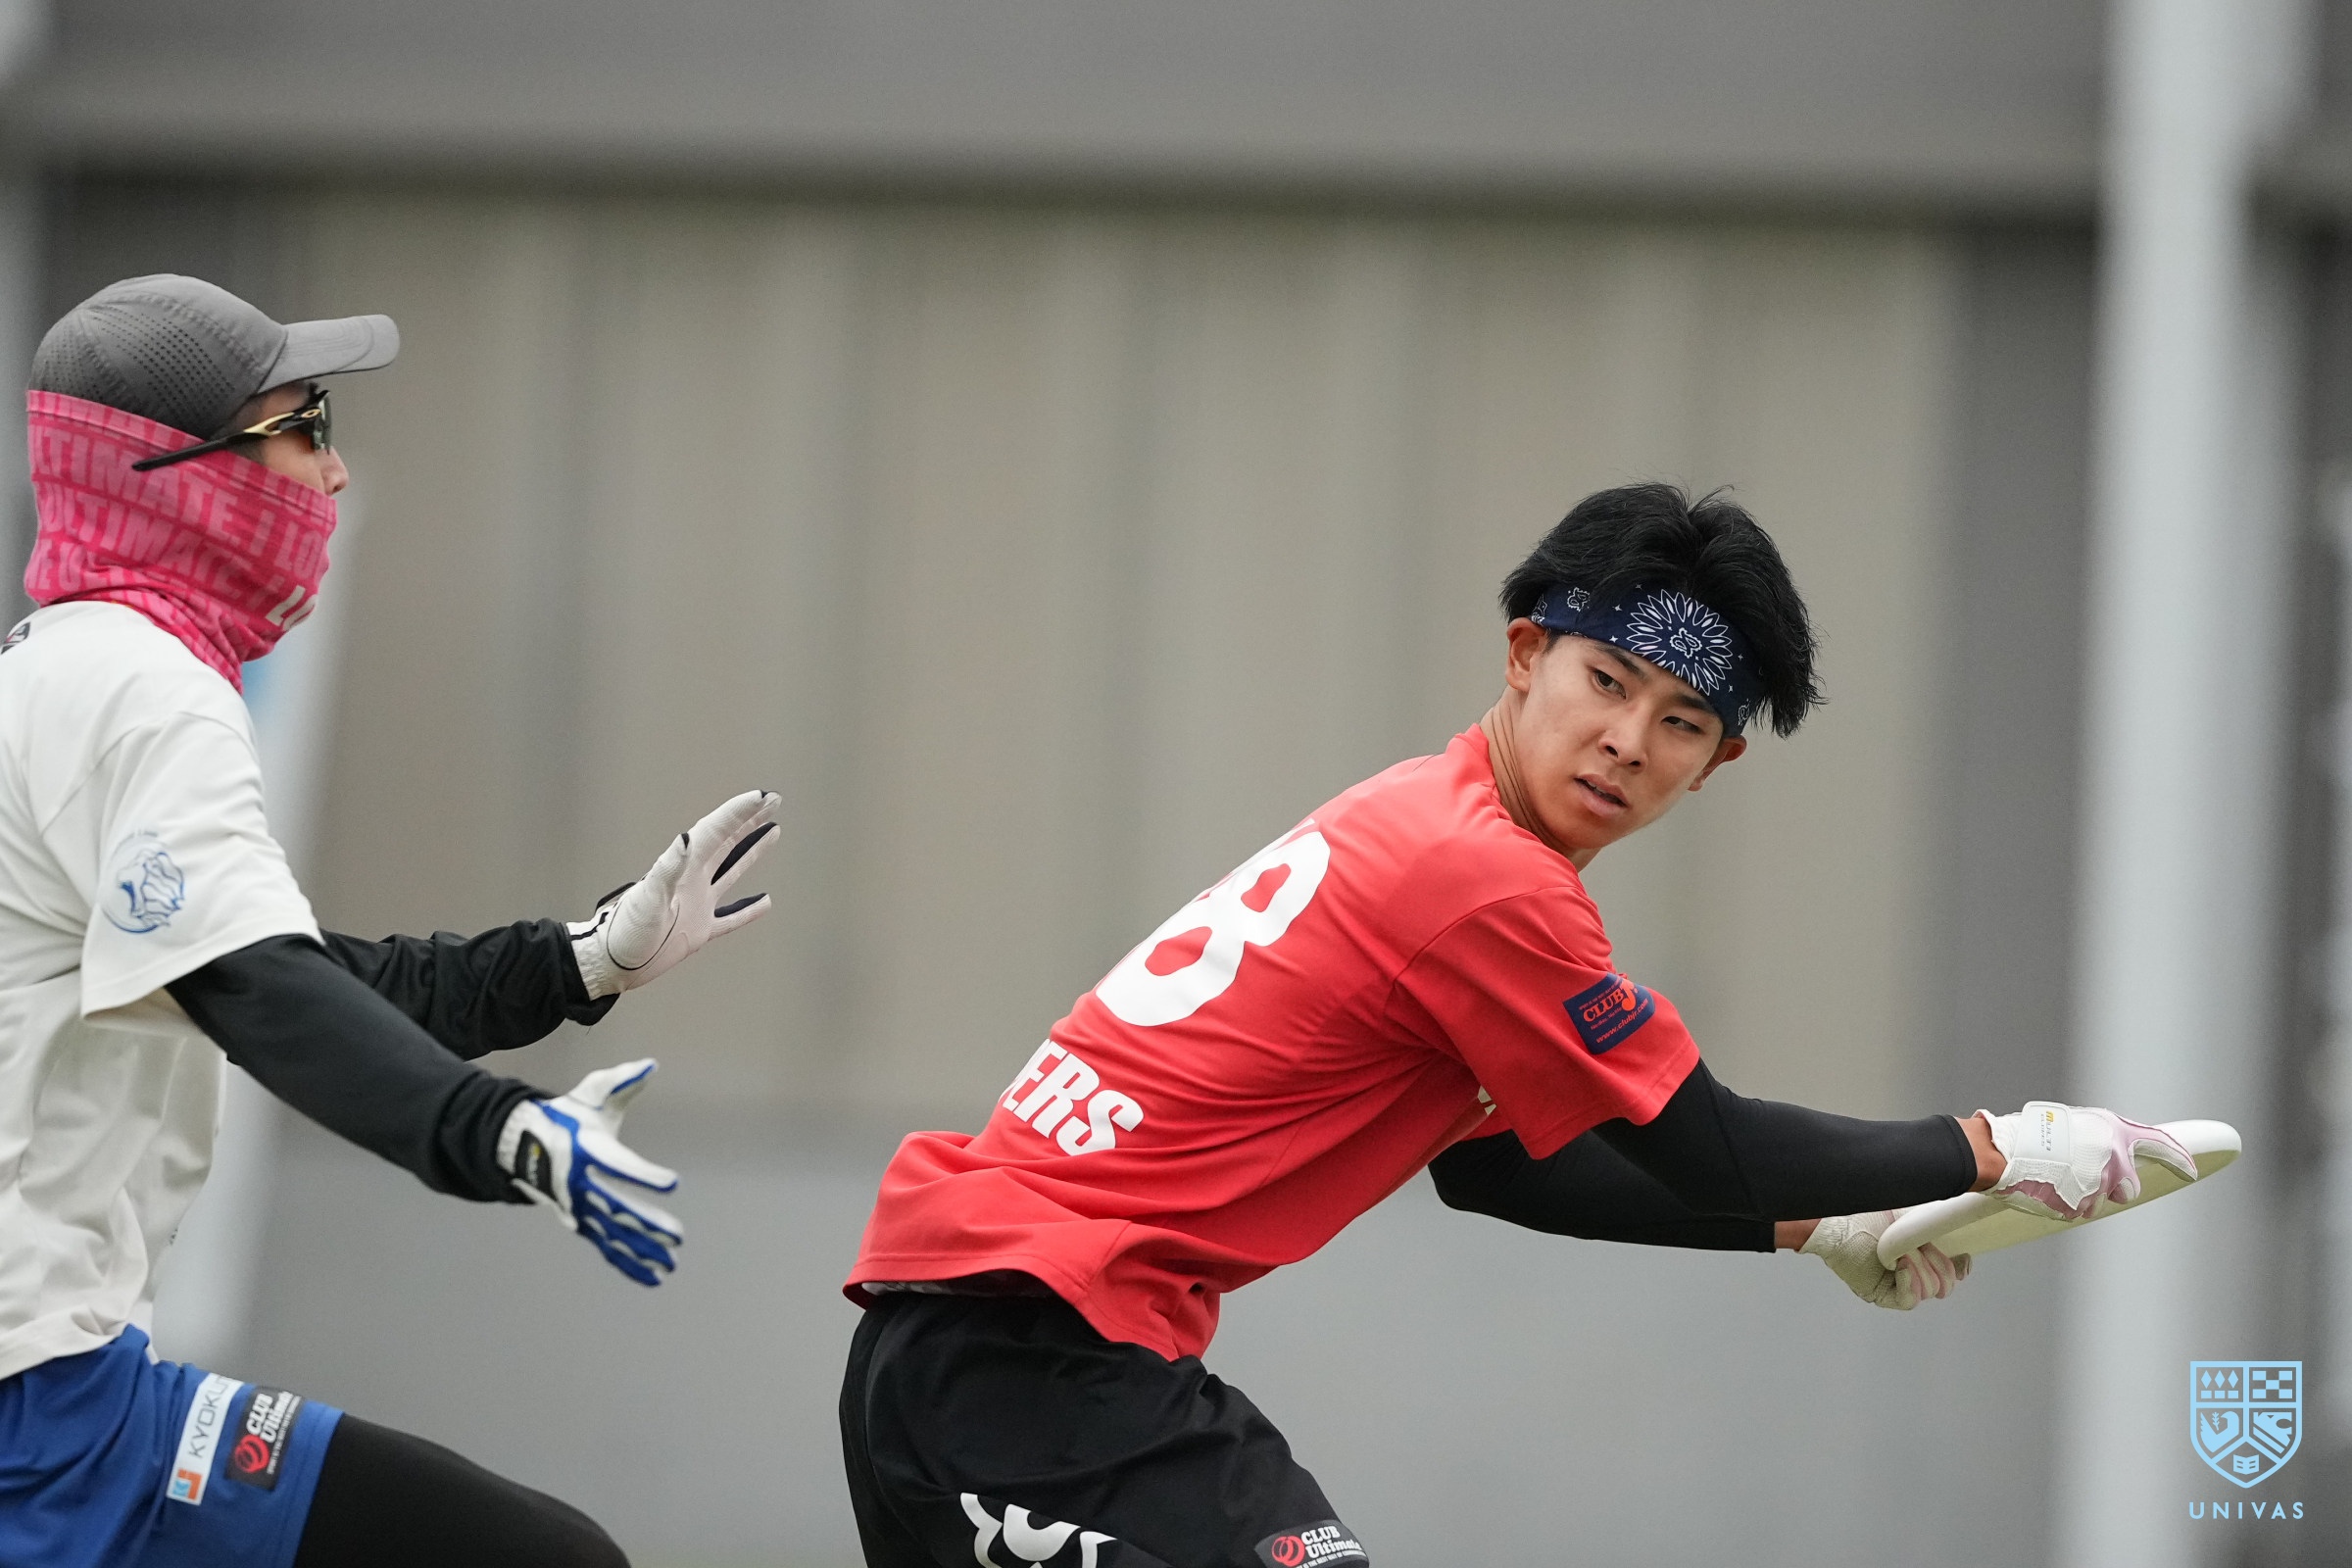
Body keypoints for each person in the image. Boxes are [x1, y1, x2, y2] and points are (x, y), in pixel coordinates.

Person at [837, 483, 2199, 1568]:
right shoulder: (1490, 884)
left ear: (1714, 765)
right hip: (1036, 1360)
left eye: (1682, 721)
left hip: (970, 1346)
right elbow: (1711, 1147)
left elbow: (1502, 1170)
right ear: (1527, 654)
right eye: (1606, 680)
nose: (1629, 740)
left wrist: (1814, 1228)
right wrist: (1999, 1147)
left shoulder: (1426, 813)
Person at [0, 274, 780, 1568]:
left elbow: (289, 975)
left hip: (77, 1390)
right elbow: (263, 992)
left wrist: (578, 963)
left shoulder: (69, 665)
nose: (337, 471)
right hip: (38, 1415)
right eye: (302, 426)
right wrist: (500, 1129)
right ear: (170, 471)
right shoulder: (143, 688)